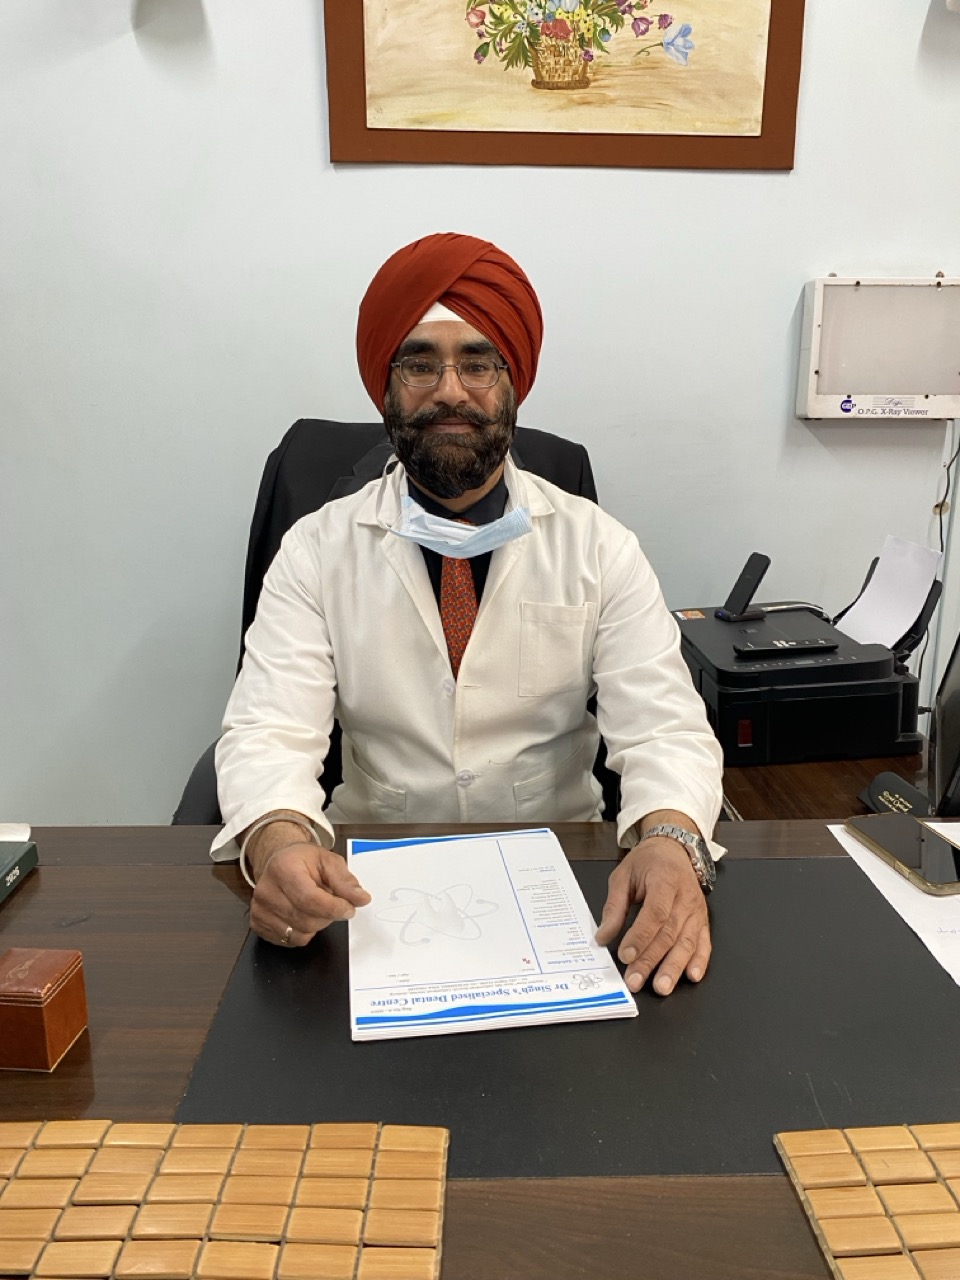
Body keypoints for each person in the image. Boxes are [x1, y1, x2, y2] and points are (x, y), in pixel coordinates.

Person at [211, 233, 724, 997]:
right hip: (370, 891)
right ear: (386, 386)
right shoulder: (316, 549)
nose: (450, 389)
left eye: (477, 362)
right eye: (419, 362)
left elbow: (663, 727)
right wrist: (279, 835)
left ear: (511, 381)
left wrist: (672, 840)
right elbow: (269, 731)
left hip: (567, 882)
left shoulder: (598, 546)